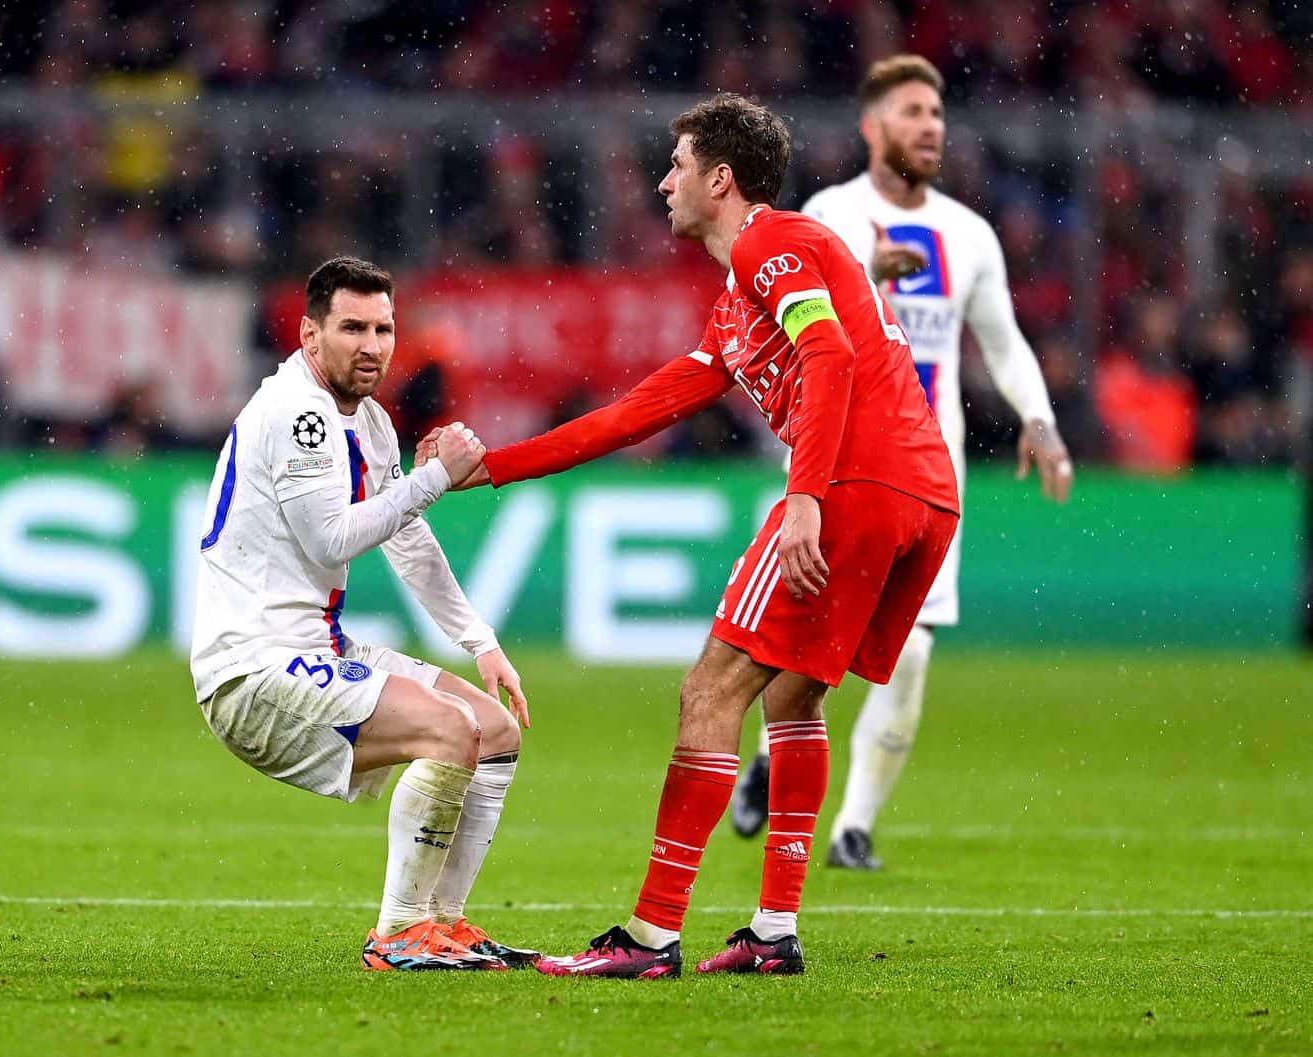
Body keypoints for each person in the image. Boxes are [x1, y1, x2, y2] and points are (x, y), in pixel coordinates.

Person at [441, 94, 960, 977]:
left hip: (855, 483)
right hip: (923, 493)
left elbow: (829, 356)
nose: (663, 181)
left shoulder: (773, 239)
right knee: (792, 700)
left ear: (721, 178)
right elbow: (631, 416)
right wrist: (494, 464)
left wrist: (806, 498)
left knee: (710, 691)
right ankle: (772, 929)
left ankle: (649, 935)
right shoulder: (734, 311)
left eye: (677, 166)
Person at [730, 55, 1075, 870]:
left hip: (930, 471)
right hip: (845, 460)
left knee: (910, 650)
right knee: (817, 641)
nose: (931, 127)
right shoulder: (828, 216)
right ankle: (774, 762)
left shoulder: (970, 234)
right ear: (872, 126)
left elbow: (1003, 342)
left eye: (938, 114)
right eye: (914, 112)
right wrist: (865, 275)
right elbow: (795, 332)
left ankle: (853, 827)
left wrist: (1041, 419)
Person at [190, 256, 537, 972]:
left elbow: (408, 541)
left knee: (494, 732)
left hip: (315, 646)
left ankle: (444, 922)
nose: (372, 345)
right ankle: (399, 933)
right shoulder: (297, 414)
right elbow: (333, 537)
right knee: (449, 730)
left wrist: (482, 641)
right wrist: (437, 477)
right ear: (311, 336)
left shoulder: (369, 421)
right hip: (250, 668)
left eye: (383, 327)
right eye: (352, 327)